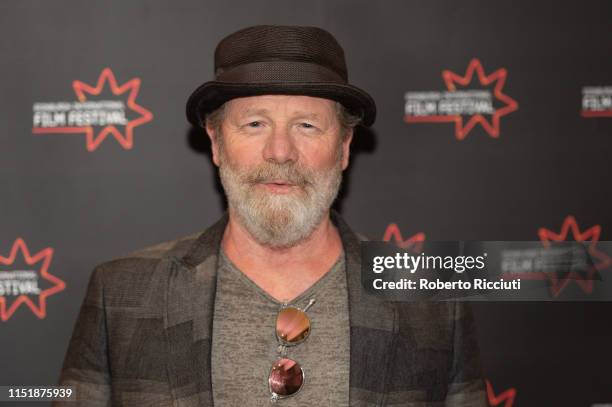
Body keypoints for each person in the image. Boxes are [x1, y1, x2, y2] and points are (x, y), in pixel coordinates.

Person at [55, 25, 487, 406]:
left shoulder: (431, 302)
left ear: (344, 146)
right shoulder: (122, 294)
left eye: (307, 126)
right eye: (255, 124)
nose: (280, 152)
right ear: (216, 141)